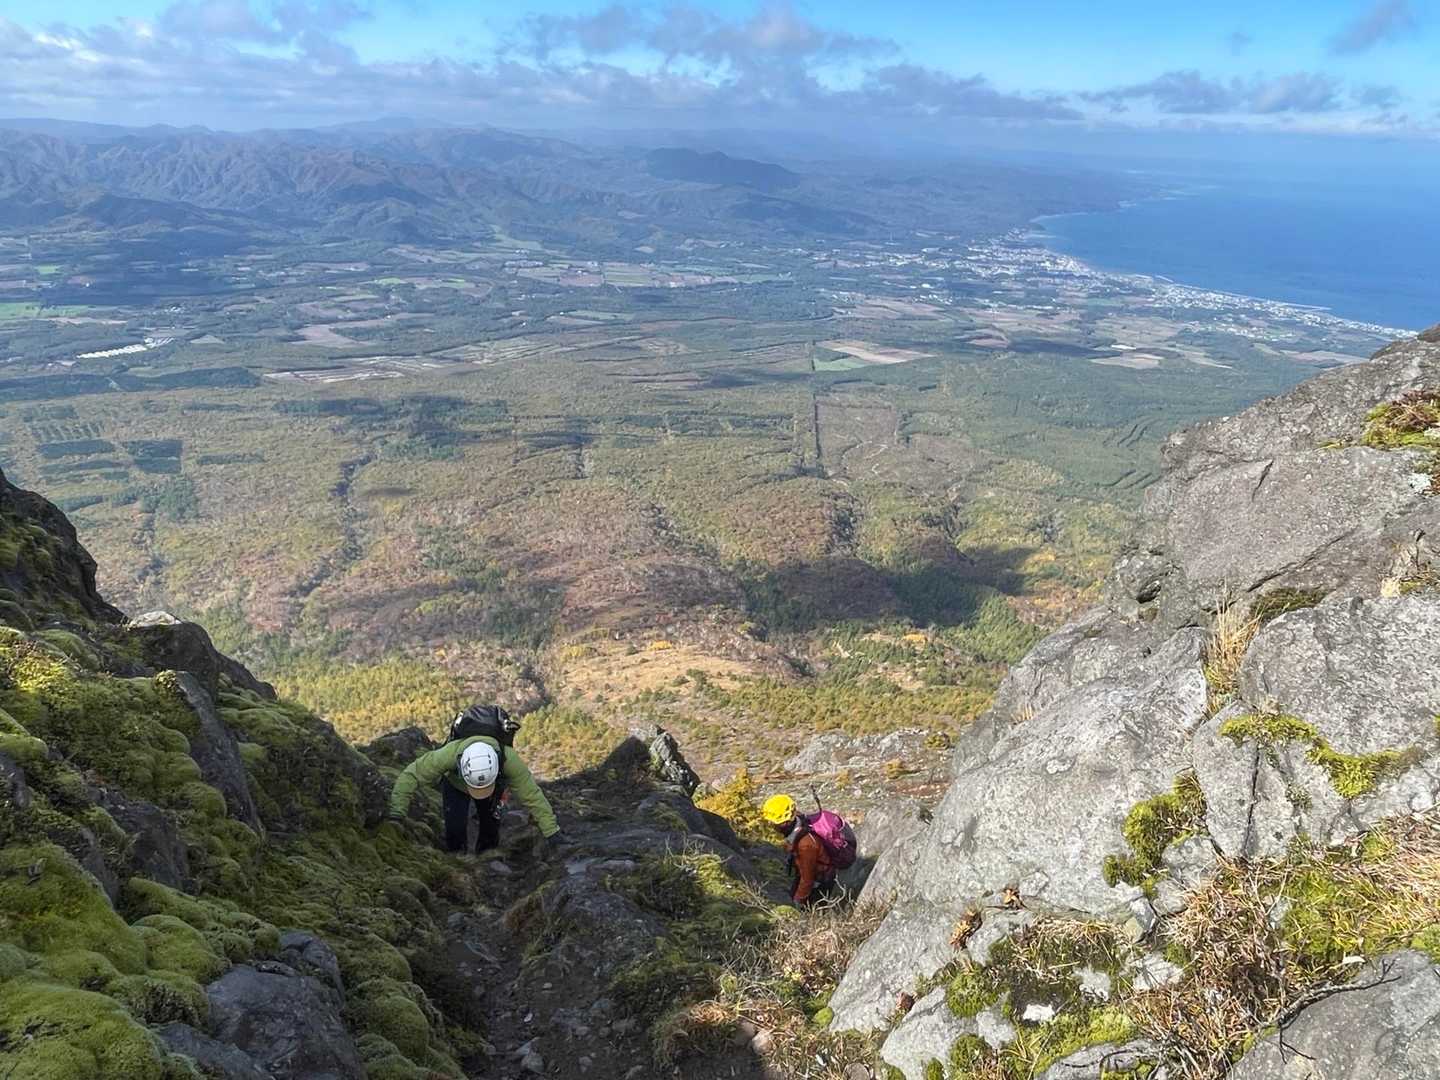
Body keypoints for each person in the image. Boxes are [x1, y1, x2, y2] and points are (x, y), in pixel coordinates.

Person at [387, 704, 561, 855]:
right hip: (455, 784)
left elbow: (532, 795)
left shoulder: (509, 760)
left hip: (493, 787)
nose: (479, 791)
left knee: (490, 829)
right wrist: (397, 813)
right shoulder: (448, 754)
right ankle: (457, 859)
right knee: (455, 829)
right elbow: (411, 775)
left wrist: (552, 832)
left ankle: (487, 859)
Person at [762, 793, 840, 907]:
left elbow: (807, 880)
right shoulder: (797, 819)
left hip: (820, 881)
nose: (772, 826)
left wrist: (797, 903)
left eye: (774, 823)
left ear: (785, 823)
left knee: (808, 907)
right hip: (810, 870)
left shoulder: (806, 845)